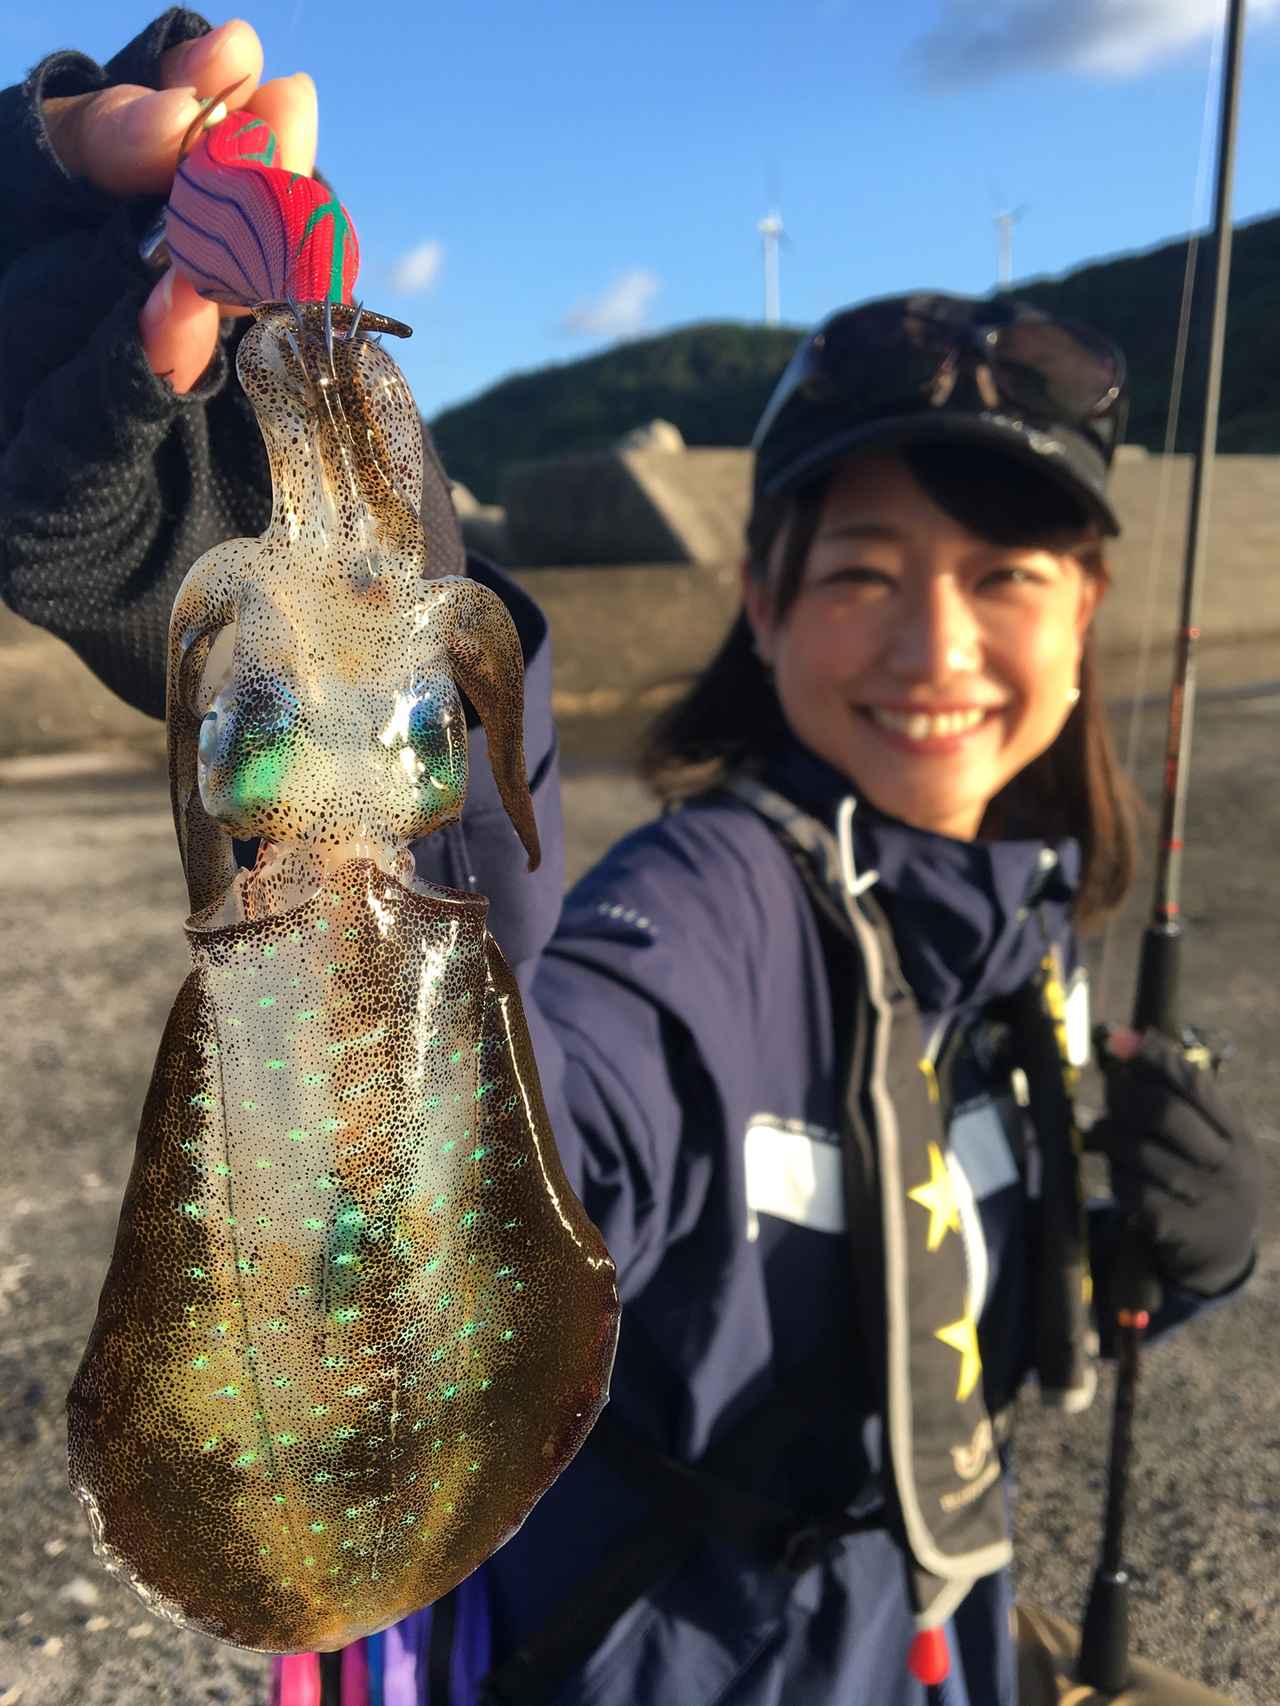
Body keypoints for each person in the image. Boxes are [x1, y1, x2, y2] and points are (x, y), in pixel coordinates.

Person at [1, 15, 1261, 1706]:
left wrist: (1166, 1257)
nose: (935, 643)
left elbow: (958, 1305)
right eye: (867, 570)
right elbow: (539, 1076)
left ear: (1086, 612)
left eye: (1008, 577)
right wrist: (364, 678)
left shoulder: (1018, 934)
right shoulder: (709, 919)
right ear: (763, 603)